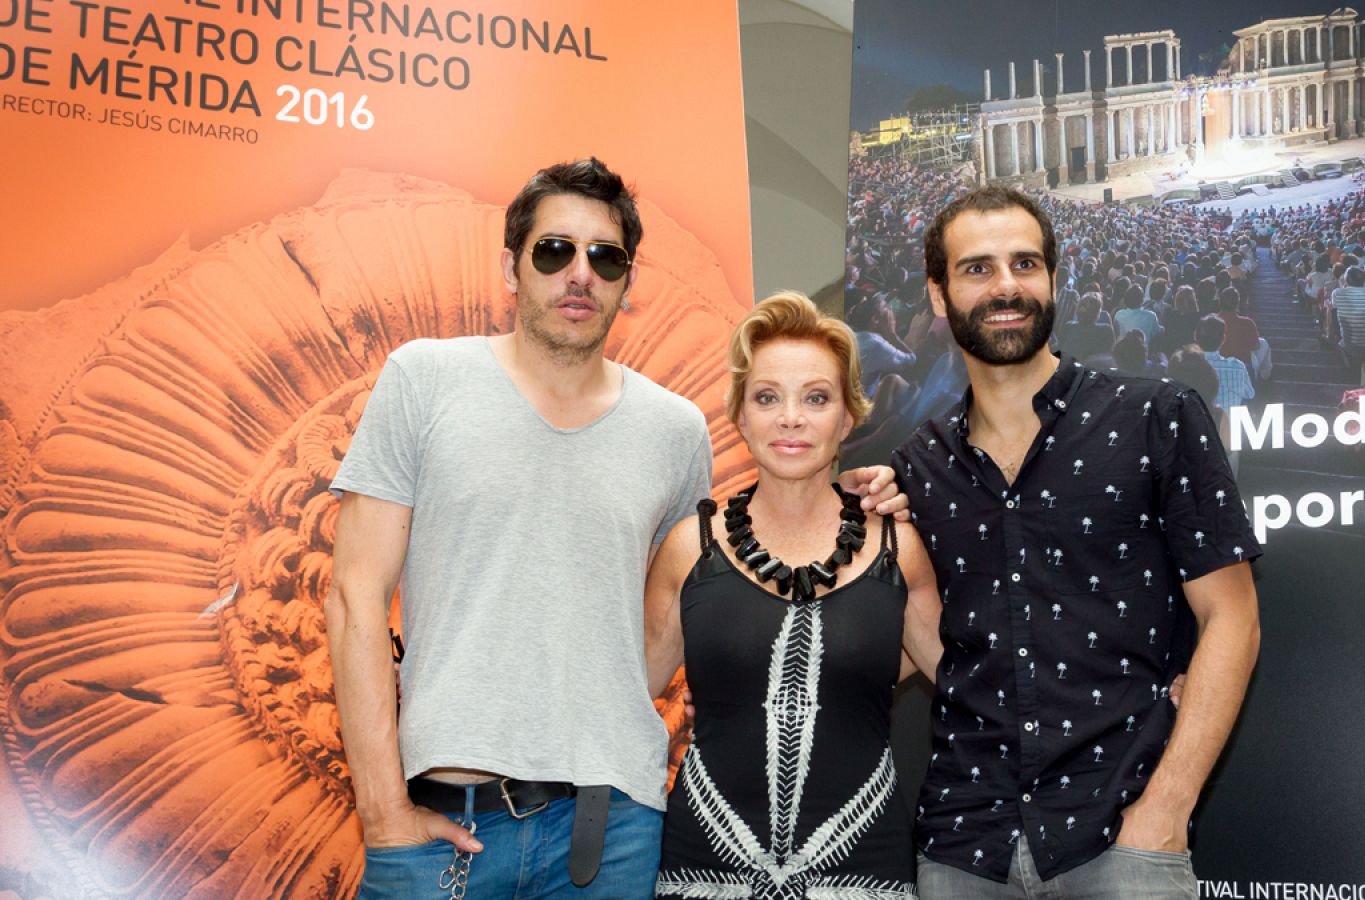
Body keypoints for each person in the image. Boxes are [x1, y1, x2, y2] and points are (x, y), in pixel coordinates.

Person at [325, 158, 905, 898]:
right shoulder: (424, 379)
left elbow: (700, 605)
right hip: (441, 825)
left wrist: (869, 501)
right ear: (512, 266)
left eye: (606, 258)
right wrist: (382, 813)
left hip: (612, 834)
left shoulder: (674, 431)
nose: (580, 274)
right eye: (554, 250)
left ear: (628, 282)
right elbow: (353, 598)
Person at [897, 185, 1262, 897]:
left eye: (1025, 263)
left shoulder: (1158, 416)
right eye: (977, 268)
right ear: (938, 295)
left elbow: (1234, 618)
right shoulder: (918, 466)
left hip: (1122, 835)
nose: (1006, 285)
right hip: (963, 845)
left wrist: (1166, 809)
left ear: (1053, 280)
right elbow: (924, 640)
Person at [646, 292, 943, 898]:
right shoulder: (688, 546)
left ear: (849, 416)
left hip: (865, 870)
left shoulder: (898, 546)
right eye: (767, 397)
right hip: (706, 867)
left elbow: (972, 683)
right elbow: (624, 695)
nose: (790, 418)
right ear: (739, 414)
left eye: (816, 397)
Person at [1196, 315, 1255, 413]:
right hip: (1229, 425)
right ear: (1223, 339)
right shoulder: (1238, 367)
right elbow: (1250, 394)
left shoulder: (1188, 367)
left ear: (1196, 337)